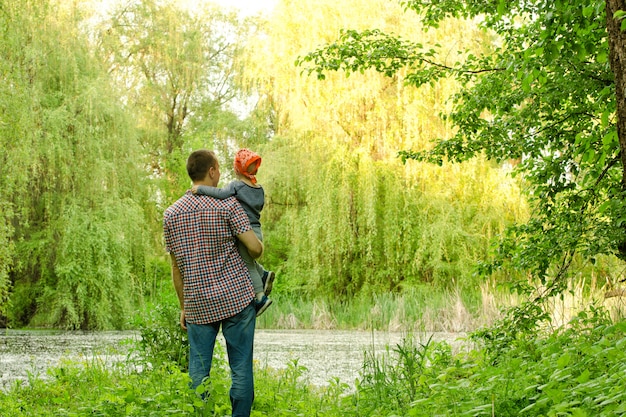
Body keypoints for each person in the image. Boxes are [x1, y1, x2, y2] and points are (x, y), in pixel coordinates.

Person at [163, 149, 263, 417]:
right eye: (218, 169)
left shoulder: (171, 214)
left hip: (197, 303)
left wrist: (184, 306)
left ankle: (201, 413)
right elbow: (255, 250)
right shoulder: (228, 205)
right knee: (241, 368)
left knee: (198, 370)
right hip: (236, 299)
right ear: (212, 171)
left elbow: (176, 268)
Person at [192, 148, 275, 316]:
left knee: (246, 264)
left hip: (245, 230)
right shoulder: (260, 189)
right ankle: (264, 274)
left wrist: (200, 189)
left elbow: (221, 194)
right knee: (248, 260)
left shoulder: (237, 186)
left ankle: (260, 297)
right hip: (257, 230)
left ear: (237, 169)